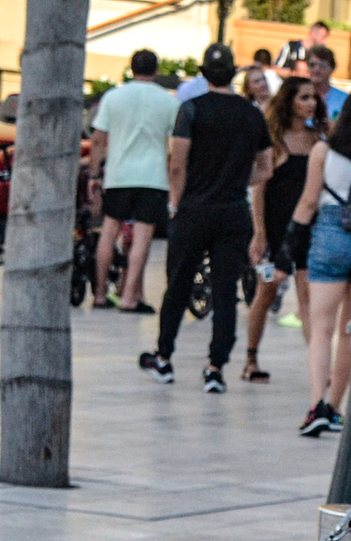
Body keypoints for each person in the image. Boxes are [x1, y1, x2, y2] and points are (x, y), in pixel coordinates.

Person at [145, 44, 272, 392]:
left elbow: (177, 164)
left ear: (203, 73)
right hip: (233, 213)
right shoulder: (251, 114)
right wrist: (235, 180)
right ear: (234, 73)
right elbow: (266, 166)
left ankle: (164, 357)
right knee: (225, 291)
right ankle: (215, 367)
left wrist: (175, 202)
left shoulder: (191, 110)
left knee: (179, 286)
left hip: (193, 211)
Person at [288, 85, 351, 435]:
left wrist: (293, 239)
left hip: (330, 235)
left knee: (321, 328)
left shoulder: (322, 152)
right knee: (350, 332)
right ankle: (336, 406)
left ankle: (316, 407)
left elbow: (309, 202)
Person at [244, 75, 324, 381]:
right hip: (276, 229)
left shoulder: (318, 140)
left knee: (307, 298)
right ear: (289, 101)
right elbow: (259, 190)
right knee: (266, 292)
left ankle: (318, 366)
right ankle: (250, 358)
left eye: (313, 98)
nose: (310, 103)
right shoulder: (274, 141)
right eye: (303, 97)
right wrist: (259, 233)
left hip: (306, 229)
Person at [88, 48, 177, 310]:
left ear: (131, 68)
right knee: (142, 237)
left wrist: (94, 173)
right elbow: (174, 144)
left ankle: (100, 294)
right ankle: (129, 296)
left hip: (118, 174)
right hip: (153, 177)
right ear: (157, 70)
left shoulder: (113, 97)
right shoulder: (169, 102)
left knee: (109, 232)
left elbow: (97, 139)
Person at [304, 44, 347, 120]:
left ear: (332, 68)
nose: (316, 70)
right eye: (312, 65)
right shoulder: (299, 97)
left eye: (322, 66)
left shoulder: (344, 99)